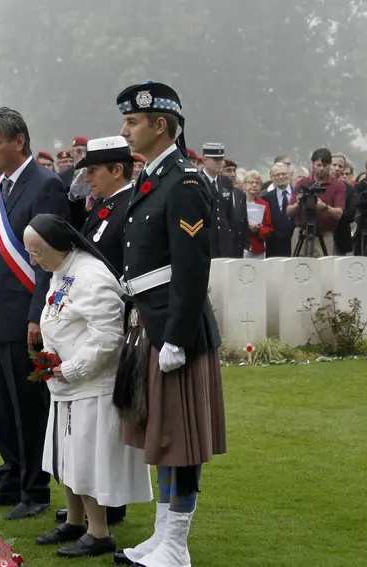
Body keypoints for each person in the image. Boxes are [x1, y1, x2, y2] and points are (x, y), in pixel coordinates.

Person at [113, 81, 227, 567]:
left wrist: (177, 336)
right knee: (159, 431)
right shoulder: (155, 178)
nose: (125, 130)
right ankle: (163, 536)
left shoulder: (182, 181)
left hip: (174, 328)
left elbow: (191, 265)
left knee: (179, 436)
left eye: (132, 122)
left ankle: (176, 544)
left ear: (160, 125)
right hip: (151, 321)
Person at [25, 215, 152, 559]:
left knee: (85, 460)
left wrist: (70, 368)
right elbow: (57, 316)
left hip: (91, 384)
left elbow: (107, 337)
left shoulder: (92, 275)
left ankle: (99, 533)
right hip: (64, 383)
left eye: (36, 252)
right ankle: (76, 521)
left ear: (57, 245)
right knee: (66, 458)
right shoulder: (61, 269)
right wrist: (51, 361)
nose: (33, 260)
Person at [0, 107, 70, 521]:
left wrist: (36, 314)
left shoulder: (46, 185)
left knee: (28, 407)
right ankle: (8, 479)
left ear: (19, 141)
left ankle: (35, 488)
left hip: (25, 313)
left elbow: (50, 257)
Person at [75, 136, 134, 275]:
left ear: (117, 171)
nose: (87, 178)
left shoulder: (130, 208)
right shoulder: (101, 202)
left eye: (92, 170)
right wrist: (74, 201)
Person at [287, 148, 345, 258]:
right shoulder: (302, 183)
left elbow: (339, 214)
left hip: (324, 234)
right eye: (319, 165)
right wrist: (299, 202)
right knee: (297, 267)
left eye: (325, 165)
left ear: (329, 166)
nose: (322, 169)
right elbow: (289, 211)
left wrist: (324, 207)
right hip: (301, 232)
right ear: (312, 164)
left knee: (323, 269)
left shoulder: (338, 186)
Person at [260, 162, 295, 257]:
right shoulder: (265, 198)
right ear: (271, 178)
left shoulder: (298, 194)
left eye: (283, 174)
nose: (281, 177)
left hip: (295, 245)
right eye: (277, 175)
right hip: (273, 249)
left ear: (289, 175)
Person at [243, 171, 273, 259]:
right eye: (251, 182)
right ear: (244, 184)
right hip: (240, 246)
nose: (254, 185)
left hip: (257, 247)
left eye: (257, 183)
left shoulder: (264, 204)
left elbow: (268, 228)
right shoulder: (238, 201)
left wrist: (258, 229)